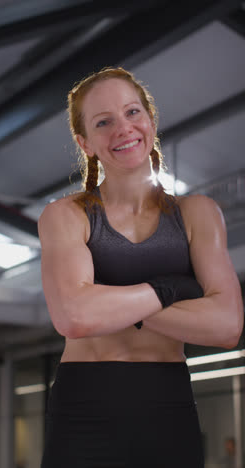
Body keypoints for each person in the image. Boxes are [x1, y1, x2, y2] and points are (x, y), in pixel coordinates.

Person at [38, 67, 243, 467]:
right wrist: (171, 287)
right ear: (85, 142)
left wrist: (107, 297)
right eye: (103, 121)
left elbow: (226, 325)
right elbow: (75, 317)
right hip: (84, 405)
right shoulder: (66, 215)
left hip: (168, 405)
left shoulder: (197, 213)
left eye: (132, 112)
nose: (123, 129)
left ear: (150, 120)